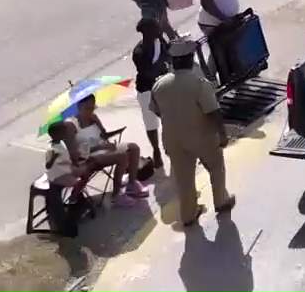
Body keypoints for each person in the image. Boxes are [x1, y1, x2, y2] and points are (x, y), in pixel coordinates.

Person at [149, 38, 234, 228]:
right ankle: (221, 202)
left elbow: (155, 110)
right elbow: (213, 111)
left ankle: (188, 215)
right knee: (216, 168)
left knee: (184, 179)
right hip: (201, 136)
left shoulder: (159, 85)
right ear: (189, 59)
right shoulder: (199, 83)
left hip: (173, 140)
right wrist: (222, 134)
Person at [71, 93, 147, 200]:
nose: (90, 111)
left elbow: (104, 135)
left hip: (103, 149)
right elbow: (77, 151)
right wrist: (101, 147)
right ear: (79, 107)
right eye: (87, 108)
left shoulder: (93, 118)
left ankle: (132, 183)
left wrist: (109, 131)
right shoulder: (72, 125)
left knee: (133, 148)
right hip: (89, 155)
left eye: (93, 107)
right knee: (122, 156)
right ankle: (117, 195)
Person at [195, 0, 240, 83]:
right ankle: (209, 81)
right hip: (213, 23)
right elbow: (206, 4)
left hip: (224, 22)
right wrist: (224, 19)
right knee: (217, 53)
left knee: (220, 51)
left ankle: (212, 79)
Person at [130, 17, 168, 169]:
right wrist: (161, 66)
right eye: (156, 28)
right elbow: (147, 72)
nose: (160, 30)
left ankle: (169, 146)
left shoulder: (160, 41)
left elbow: (168, 55)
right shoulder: (139, 52)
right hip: (146, 90)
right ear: (147, 32)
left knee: (167, 118)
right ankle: (156, 149)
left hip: (162, 86)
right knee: (151, 122)